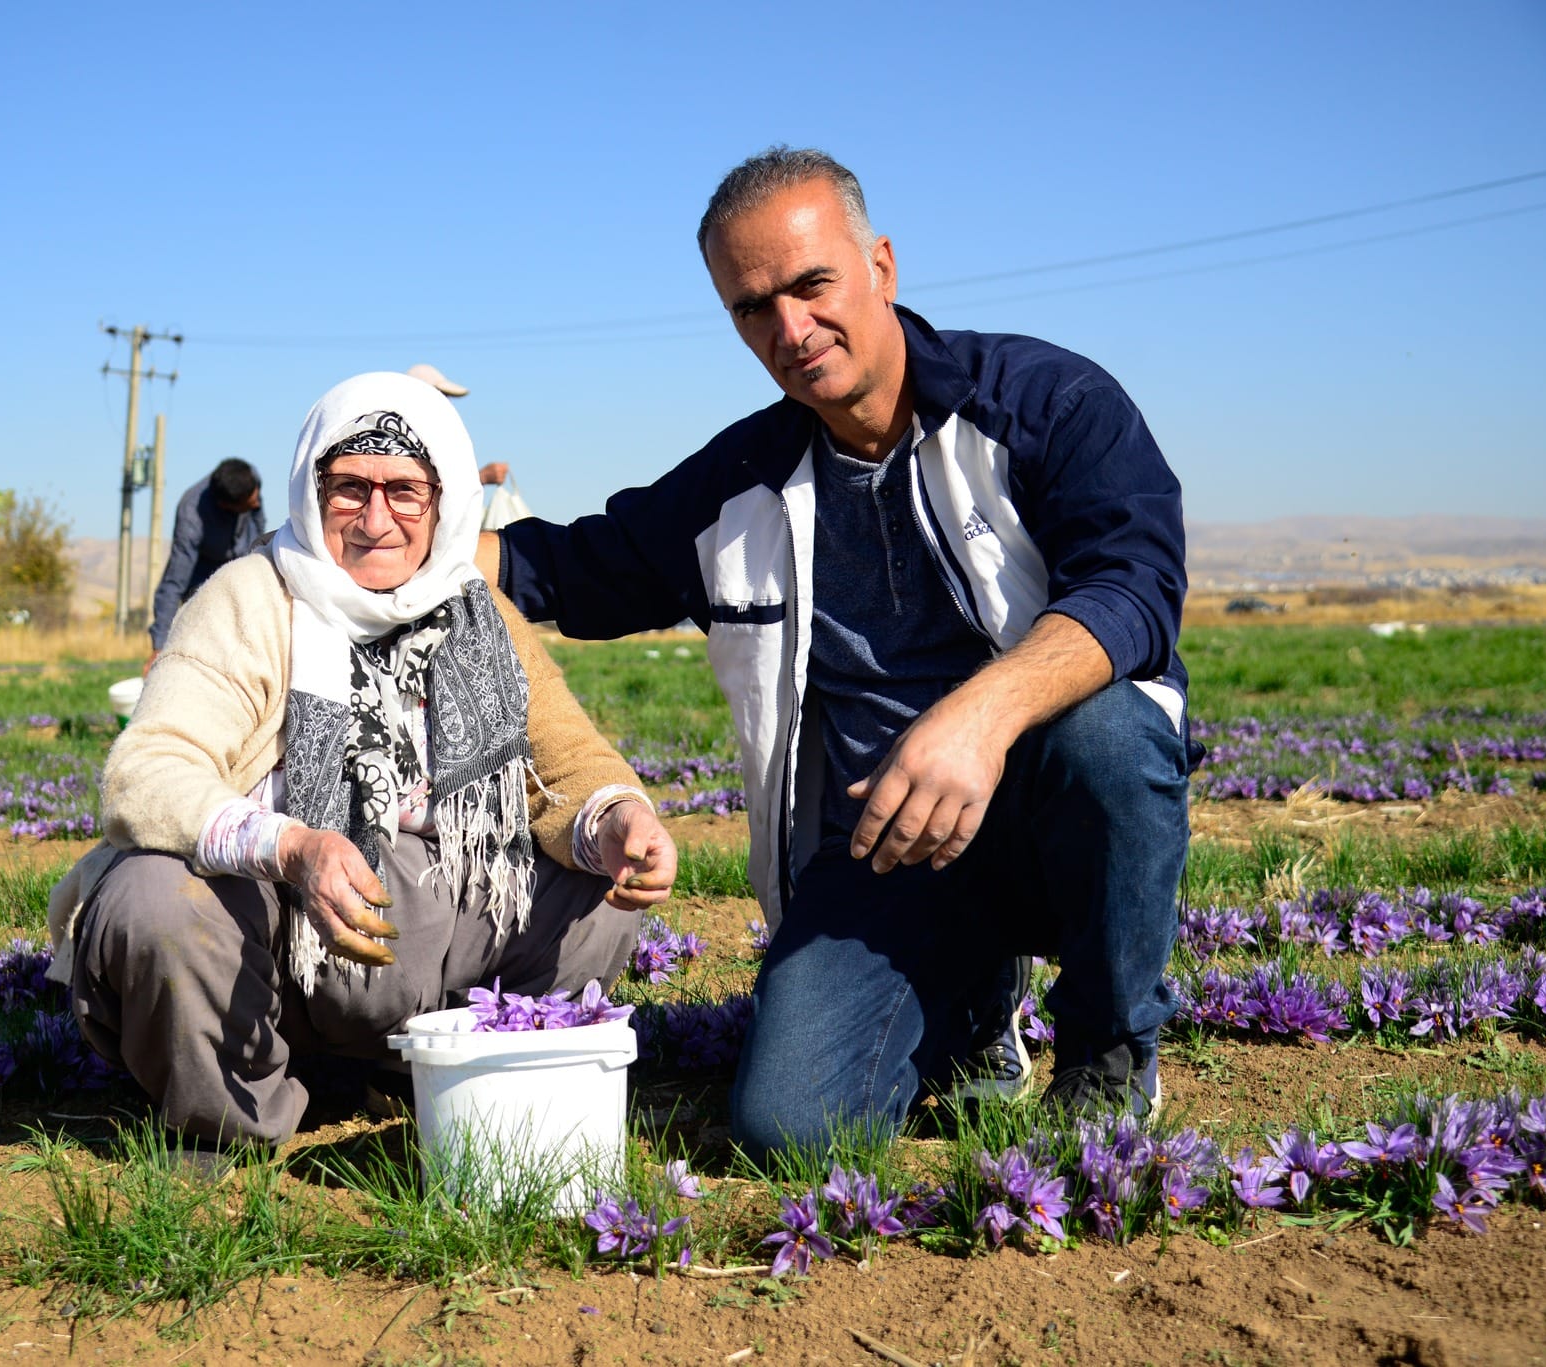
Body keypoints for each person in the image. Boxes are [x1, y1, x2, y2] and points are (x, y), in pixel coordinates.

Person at [484, 147, 1192, 1148]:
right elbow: (567, 568)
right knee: (790, 1130)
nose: (788, 328)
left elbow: (1134, 588)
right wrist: (385, 514)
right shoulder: (743, 480)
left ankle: (1108, 1052)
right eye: (750, 306)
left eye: (811, 283)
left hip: (1044, 815)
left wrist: (979, 716)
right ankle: (972, 1015)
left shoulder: (1045, 405)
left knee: (1110, 732)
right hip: (882, 848)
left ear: (881, 268)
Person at [47, 371, 677, 1158]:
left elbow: (570, 761)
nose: (376, 518)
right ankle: (233, 1115)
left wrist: (617, 816)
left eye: (405, 491)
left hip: (438, 943)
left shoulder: (479, 610)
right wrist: (288, 845)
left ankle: (464, 1066)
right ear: (312, 492)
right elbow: (145, 770)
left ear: (443, 500)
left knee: (601, 877)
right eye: (349, 487)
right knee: (154, 898)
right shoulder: (250, 599)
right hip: (281, 943)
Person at [149, 457, 266, 660]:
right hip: (203, 573)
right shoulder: (191, 516)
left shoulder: (250, 479)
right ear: (226, 505)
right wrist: (159, 647)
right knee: (209, 640)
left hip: (243, 560)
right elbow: (174, 582)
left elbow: (258, 521)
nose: (257, 503)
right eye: (250, 503)